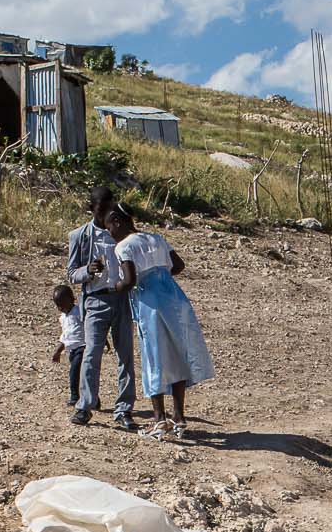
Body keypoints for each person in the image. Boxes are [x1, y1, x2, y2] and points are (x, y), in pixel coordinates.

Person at [107, 204, 213, 443]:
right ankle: (179, 417)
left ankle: (159, 419)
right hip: (174, 298)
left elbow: (130, 278)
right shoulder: (157, 238)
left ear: (116, 221)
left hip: (150, 304)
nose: (109, 233)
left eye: (109, 227)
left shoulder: (123, 246)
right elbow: (179, 265)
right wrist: (161, 275)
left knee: (154, 357)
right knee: (176, 356)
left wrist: (115, 287)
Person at [65, 184, 136, 430]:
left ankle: (124, 409)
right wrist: (88, 271)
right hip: (95, 300)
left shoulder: (122, 233)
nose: (106, 213)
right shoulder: (80, 236)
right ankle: (85, 405)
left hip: (122, 299)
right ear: (91, 208)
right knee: (91, 354)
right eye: (101, 209)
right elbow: (71, 273)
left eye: (110, 208)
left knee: (125, 355)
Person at [49, 283, 83, 409]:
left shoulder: (79, 312)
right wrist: (58, 351)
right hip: (71, 351)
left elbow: (90, 326)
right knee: (78, 374)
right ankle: (90, 398)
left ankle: (76, 397)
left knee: (77, 373)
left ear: (71, 299)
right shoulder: (63, 318)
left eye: (62, 304)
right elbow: (65, 336)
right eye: (58, 305)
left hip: (82, 348)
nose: (60, 308)